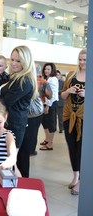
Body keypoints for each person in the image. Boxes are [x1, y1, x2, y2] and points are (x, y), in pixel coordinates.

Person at [0, 45, 38, 176]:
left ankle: (20, 189)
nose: (14, 63)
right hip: (10, 121)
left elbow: (7, 100)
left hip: (14, 124)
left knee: (12, 162)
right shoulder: (16, 77)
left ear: (25, 62)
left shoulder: (25, 80)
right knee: (11, 161)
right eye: (12, 59)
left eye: (18, 61)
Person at [61, 49, 86, 195]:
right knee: (72, 147)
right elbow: (63, 96)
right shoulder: (71, 75)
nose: (82, 62)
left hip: (84, 119)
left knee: (82, 149)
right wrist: (69, 91)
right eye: (80, 59)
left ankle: (82, 180)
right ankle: (75, 175)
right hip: (68, 116)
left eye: (85, 60)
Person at [39, 63, 59, 151]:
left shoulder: (53, 79)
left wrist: (47, 105)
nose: (46, 71)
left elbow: (53, 94)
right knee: (45, 123)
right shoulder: (47, 78)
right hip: (45, 103)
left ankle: (50, 144)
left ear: (52, 70)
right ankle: (47, 139)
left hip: (51, 104)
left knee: (51, 124)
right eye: (45, 69)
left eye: (48, 69)